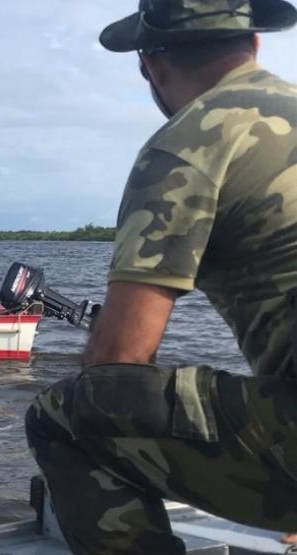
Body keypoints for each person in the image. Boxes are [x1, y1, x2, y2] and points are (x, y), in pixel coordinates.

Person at [24, 1, 297, 553]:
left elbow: (116, 361)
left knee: (70, 413)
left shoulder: (186, 145)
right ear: (255, 44)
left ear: (150, 63)